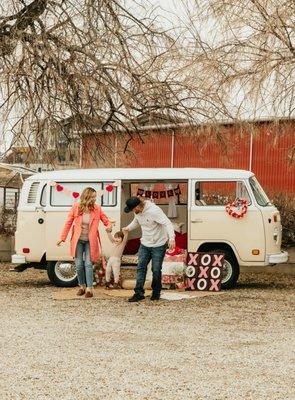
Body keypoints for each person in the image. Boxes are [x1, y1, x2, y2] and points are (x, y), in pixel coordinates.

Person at [57, 187, 111, 298]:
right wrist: (62, 238)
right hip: (78, 241)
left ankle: (89, 289)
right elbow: (68, 222)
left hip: (90, 241)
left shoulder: (97, 209)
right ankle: (81, 286)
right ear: (86, 197)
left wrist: (109, 226)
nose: (94, 199)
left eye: (95, 197)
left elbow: (106, 220)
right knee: (79, 265)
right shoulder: (76, 207)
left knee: (88, 264)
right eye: (92, 197)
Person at [123, 196, 175, 302]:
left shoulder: (154, 211)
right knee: (141, 267)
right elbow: (136, 222)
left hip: (159, 244)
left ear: (138, 206)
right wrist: (128, 228)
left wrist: (172, 238)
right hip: (145, 244)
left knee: (155, 270)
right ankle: (138, 293)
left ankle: (156, 292)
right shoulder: (137, 212)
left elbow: (167, 223)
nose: (133, 211)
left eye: (133, 209)